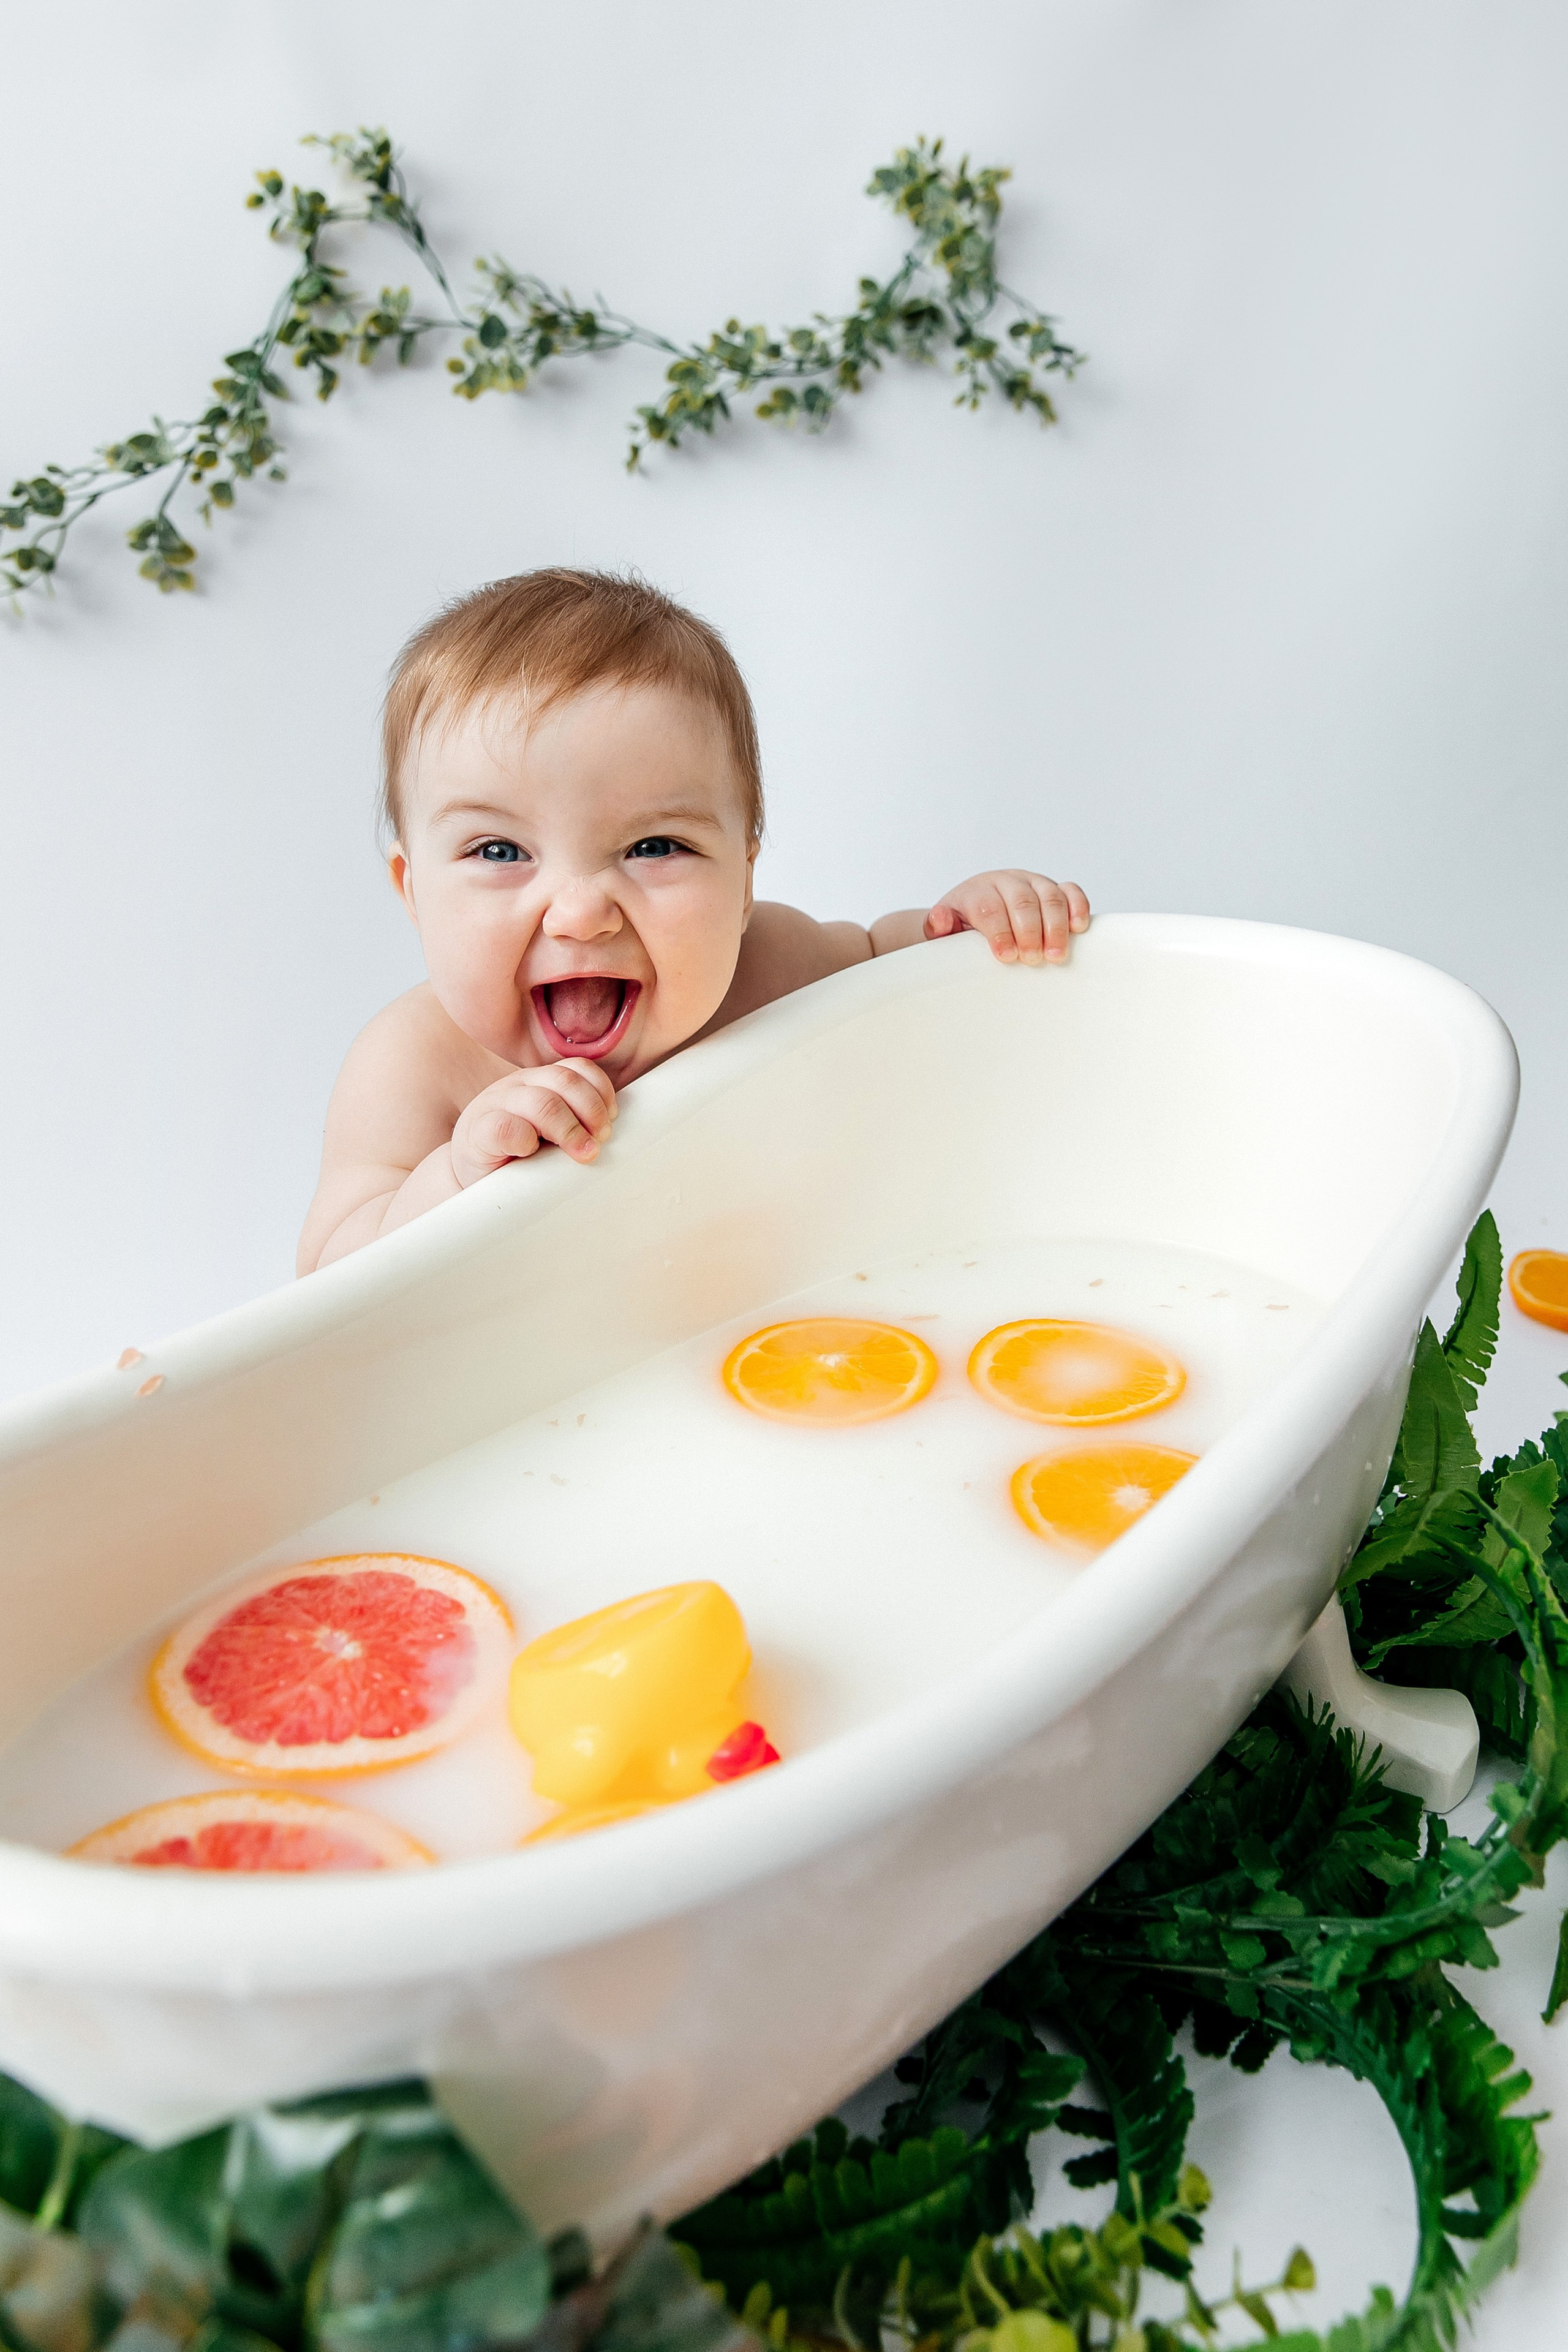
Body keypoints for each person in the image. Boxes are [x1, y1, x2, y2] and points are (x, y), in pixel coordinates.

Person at [298, 570, 1090, 1273]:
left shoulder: (774, 965)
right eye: (499, 849)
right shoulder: (414, 1066)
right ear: (412, 890)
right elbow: (326, 1280)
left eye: (653, 846)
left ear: (743, 876)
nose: (580, 913)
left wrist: (976, 924)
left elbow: (899, 968)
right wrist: (457, 1179)